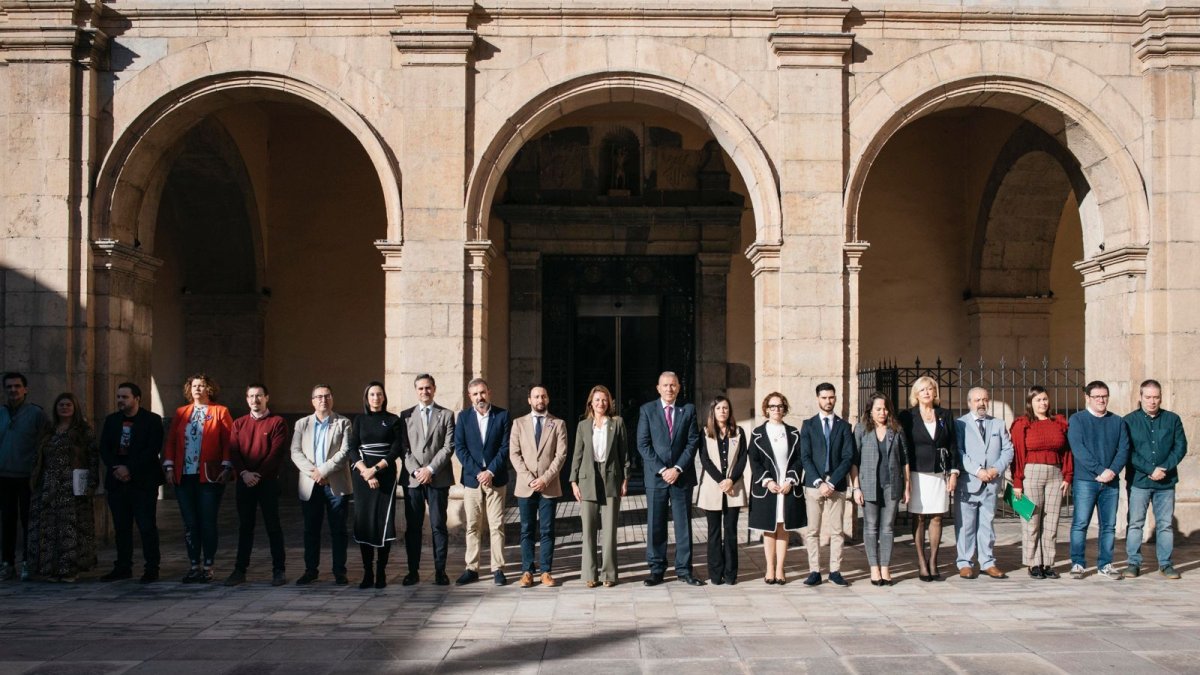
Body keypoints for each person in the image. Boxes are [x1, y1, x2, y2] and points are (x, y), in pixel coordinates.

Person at [163, 373, 233, 583]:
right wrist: (169, 466)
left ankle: (208, 566)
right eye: (194, 386)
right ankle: (194, 565)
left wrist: (227, 466)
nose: (197, 389)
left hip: (209, 476)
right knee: (190, 523)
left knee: (207, 521)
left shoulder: (220, 411)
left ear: (209, 389)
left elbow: (229, 441)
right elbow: (171, 441)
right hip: (184, 475)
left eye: (201, 386)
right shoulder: (181, 412)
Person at [636, 371, 703, 586]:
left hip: (681, 476)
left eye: (673, 385)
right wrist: (663, 469)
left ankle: (684, 570)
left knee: (683, 525)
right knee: (656, 524)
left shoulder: (688, 409)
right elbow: (643, 444)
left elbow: (693, 441)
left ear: (678, 388)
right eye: (665, 385)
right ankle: (656, 569)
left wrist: (677, 468)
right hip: (656, 477)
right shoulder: (647, 410)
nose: (669, 389)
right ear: (658, 388)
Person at [97, 382, 165, 583]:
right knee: (121, 527)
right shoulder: (112, 420)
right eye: (118, 397)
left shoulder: (152, 420)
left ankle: (151, 567)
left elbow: (153, 449)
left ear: (137, 399)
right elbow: (104, 448)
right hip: (117, 481)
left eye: (125, 397)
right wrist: (116, 468)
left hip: (143, 482)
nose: (120, 400)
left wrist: (130, 468)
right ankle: (123, 566)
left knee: (146, 526)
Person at [26, 393, 98, 582]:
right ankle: (49, 569)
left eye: (68, 405)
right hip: (48, 486)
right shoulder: (49, 430)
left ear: (74, 408)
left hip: (72, 486)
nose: (64, 408)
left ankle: (69, 569)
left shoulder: (83, 431)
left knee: (70, 528)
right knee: (48, 529)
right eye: (61, 405)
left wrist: (91, 483)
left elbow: (92, 458)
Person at [225, 383, 290, 587]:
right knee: (245, 527)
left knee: (273, 526)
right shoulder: (239, 423)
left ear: (267, 398)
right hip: (244, 481)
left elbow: (276, 453)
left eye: (259, 395)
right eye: (251, 396)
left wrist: (257, 475)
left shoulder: (277, 422)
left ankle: (279, 570)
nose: (255, 400)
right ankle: (239, 570)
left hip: (267, 482)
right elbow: (234, 451)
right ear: (247, 399)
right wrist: (244, 473)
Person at [898, 376, 960, 582]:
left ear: (935, 392)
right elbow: (904, 446)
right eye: (922, 389)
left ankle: (933, 560)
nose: (926, 392)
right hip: (917, 473)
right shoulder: (907, 416)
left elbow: (953, 445)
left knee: (937, 517)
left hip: (939, 472)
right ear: (916, 394)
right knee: (919, 516)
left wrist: (953, 472)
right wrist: (905, 478)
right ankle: (921, 561)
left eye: (930, 389)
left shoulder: (945, 415)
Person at [1125, 379, 1188, 580]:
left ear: (1161, 398)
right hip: (1139, 481)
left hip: (1166, 482)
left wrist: (1164, 468)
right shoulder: (1129, 421)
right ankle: (1133, 563)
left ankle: (1166, 564)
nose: (1152, 401)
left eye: (1156, 397)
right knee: (1135, 523)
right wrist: (1150, 469)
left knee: (1165, 524)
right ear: (1140, 397)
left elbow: (1180, 447)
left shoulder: (1173, 419)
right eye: (1148, 397)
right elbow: (1128, 451)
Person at [291, 384, 353, 586]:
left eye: (327, 396)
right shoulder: (302, 424)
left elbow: (345, 452)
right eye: (318, 397)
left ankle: (339, 571)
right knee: (311, 529)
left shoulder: (343, 423)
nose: (323, 400)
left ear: (332, 399)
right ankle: (310, 570)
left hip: (335, 483)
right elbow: (295, 452)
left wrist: (323, 471)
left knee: (338, 530)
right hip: (310, 484)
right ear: (312, 401)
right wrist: (314, 473)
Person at [1067, 380, 1130, 580]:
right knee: (1080, 523)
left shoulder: (1118, 421)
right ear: (1088, 398)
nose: (1101, 400)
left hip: (1111, 482)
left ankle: (1105, 564)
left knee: (1109, 526)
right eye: (1097, 397)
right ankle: (1078, 563)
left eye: (1104, 396)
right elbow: (1078, 449)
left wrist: (1112, 471)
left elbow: (1124, 449)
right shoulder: (1077, 420)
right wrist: (1100, 470)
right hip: (1085, 480)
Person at [1010, 385, 1072, 579]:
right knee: (1031, 520)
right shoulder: (1022, 423)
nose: (1042, 403)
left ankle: (1047, 563)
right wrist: (1017, 481)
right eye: (1038, 400)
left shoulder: (1059, 422)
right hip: (1031, 474)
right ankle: (1033, 563)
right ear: (1030, 402)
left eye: (1045, 399)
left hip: (1055, 474)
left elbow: (1067, 451)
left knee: (1052, 521)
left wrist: (1067, 476)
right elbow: (1017, 454)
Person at [453, 377, 511, 586]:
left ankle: (498, 569)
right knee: (472, 526)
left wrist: (490, 471)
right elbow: (460, 448)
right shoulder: (463, 417)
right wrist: (479, 472)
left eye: (483, 392)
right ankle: (472, 568)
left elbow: (505, 447)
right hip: (472, 479)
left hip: (496, 479)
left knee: (497, 525)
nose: (480, 397)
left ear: (489, 393)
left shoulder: (502, 415)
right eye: (475, 394)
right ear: (470, 397)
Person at [570, 385, 629, 588]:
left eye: (604, 400)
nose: (601, 403)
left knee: (610, 530)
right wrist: (573, 481)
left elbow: (624, 453)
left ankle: (609, 574)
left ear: (609, 402)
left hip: (611, 477)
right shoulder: (583, 426)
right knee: (588, 530)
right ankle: (590, 573)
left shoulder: (617, 423)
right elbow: (577, 454)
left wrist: (625, 479)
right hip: (588, 477)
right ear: (591, 403)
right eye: (597, 400)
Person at [510, 385, 568, 588]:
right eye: (536, 397)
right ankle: (527, 571)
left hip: (548, 486)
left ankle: (545, 571)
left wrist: (545, 479)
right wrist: (529, 479)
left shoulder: (558, 424)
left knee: (547, 530)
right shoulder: (518, 423)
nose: (540, 400)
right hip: (525, 486)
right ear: (529, 400)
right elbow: (514, 454)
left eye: (543, 396)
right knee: (526, 529)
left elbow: (561, 455)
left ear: (548, 399)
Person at [349, 382, 405, 589]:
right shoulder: (359, 420)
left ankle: (381, 572)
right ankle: (367, 573)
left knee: (383, 522)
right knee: (364, 523)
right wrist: (365, 472)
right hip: (362, 477)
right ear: (366, 398)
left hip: (385, 476)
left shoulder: (393, 420)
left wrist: (376, 469)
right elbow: (352, 448)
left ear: (384, 397)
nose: (376, 398)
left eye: (379, 394)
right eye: (372, 394)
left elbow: (396, 449)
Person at [400, 374, 454, 586]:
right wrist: (417, 471)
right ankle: (412, 571)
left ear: (434, 389)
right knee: (413, 527)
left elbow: (448, 447)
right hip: (413, 481)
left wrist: (430, 469)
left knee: (438, 526)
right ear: (416, 391)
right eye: (421, 388)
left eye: (428, 388)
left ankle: (440, 571)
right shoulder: (405, 416)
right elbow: (404, 448)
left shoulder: (446, 415)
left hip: (438, 478)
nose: (425, 391)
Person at [799, 383, 855, 587]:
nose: (828, 401)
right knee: (812, 531)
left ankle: (835, 571)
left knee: (837, 531)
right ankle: (814, 571)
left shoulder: (844, 426)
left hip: (836, 485)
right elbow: (805, 457)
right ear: (818, 399)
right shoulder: (808, 425)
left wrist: (831, 482)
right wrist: (819, 482)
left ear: (835, 398)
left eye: (831, 397)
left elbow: (848, 457)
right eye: (824, 397)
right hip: (814, 485)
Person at [954, 387, 1014, 580]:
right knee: (966, 525)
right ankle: (965, 562)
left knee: (987, 523)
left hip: (991, 482)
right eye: (977, 400)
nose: (981, 403)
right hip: (969, 482)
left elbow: (1008, 450)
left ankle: (988, 562)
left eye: (985, 400)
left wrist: (996, 469)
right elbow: (959, 452)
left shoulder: (998, 424)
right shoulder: (959, 424)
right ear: (969, 402)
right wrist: (978, 471)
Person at [851, 392, 910, 586]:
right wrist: (856, 488)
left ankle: (885, 566)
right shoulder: (861, 429)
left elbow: (905, 459)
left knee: (887, 527)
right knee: (870, 527)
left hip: (891, 485)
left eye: (885, 409)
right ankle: (874, 567)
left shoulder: (896, 429)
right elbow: (854, 461)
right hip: (868, 485)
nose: (882, 412)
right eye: (878, 409)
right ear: (870, 411)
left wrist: (907, 486)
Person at [748, 392, 805, 584]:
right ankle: (769, 568)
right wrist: (768, 481)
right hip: (768, 487)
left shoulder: (794, 433)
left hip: (786, 486)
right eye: (772, 406)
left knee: (783, 527)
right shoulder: (757, 433)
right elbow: (754, 460)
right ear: (766, 409)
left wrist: (790, 480)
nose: (776, 409)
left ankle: (780, 568)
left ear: (784, 409)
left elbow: (799, 459)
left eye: (780, 406)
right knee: (769, 528)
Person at [0, 372, 49, 581]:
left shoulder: (36, 414)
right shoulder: (1, 413)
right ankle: (7, 563)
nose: (13, 390)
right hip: (4, 476)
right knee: (7, 521)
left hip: (28, 477)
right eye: (9, 386)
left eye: (17, 386)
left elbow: (45, 443)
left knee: (29, 520)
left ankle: (29, 562)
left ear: (25, 389)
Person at [697, 395, 747, 585]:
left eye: (725, 408)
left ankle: (731, 574)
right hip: (713, 487)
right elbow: (705, 459)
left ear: (729, 410)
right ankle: (716, 574)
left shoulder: (739, 432)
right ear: (713, 411)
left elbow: (743, 458)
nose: (722, 411)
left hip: (734, 487)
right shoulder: (705, 432)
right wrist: (721, 480)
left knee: (731, 531)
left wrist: (731, 480)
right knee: (714, 532)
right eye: (718, 408)